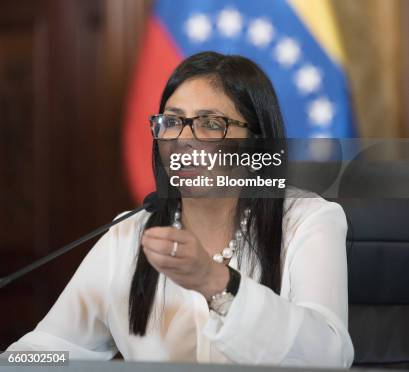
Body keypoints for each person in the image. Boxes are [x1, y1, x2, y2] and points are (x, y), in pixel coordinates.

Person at [4, 52, 354, 366]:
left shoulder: (307, 221)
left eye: (211, 123)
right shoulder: (128, 234)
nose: (183, 140)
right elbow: (52, 349)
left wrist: (216, 283)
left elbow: (329, 355)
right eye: (171, 122)